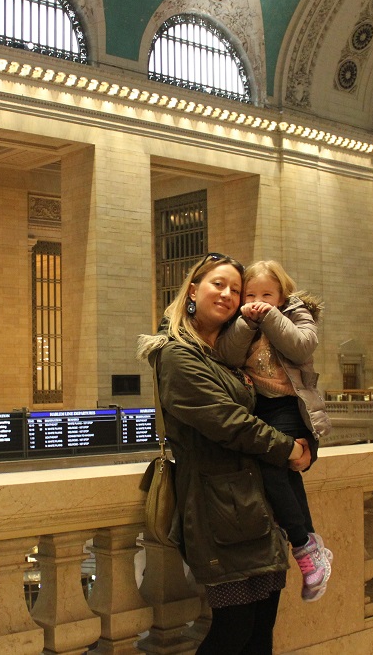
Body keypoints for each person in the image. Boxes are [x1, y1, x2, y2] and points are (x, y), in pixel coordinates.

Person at [137, 252, 311, 654]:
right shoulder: (178, 353)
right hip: (218, 509)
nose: (229, 294)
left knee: (260, 629)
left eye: (236, 288)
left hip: (253, 507)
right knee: (234, 629)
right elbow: (227, 421)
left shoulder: (227, 351)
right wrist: (288, 449)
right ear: (193, 290)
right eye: (219, 284)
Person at [214, 259, 334, 603]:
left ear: (282, 295)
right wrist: (247, 323)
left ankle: (303, 545)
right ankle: (311, 547)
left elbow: (301, 346)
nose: (257, 299)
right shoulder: (239, 322)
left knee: (273, 468)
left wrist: (268, 315)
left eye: (267, 293)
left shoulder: (296, 313)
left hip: (289, 406)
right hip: (259, 406)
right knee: (281, 475)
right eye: (250, 294)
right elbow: (229, 355)